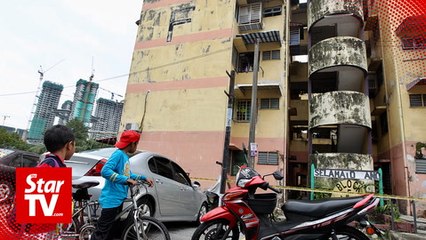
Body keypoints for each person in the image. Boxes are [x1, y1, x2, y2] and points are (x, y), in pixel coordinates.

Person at [91, 130, 153, 240]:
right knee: (101, 233)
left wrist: (143, 178)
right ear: (133, 143)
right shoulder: (118, 154)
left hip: (118, 199)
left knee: (111, 232)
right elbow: (105, 171)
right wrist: (125, 180)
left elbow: (128, 174)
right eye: (136, 144)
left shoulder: (125, 157)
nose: (136, 146)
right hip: (111, 199)